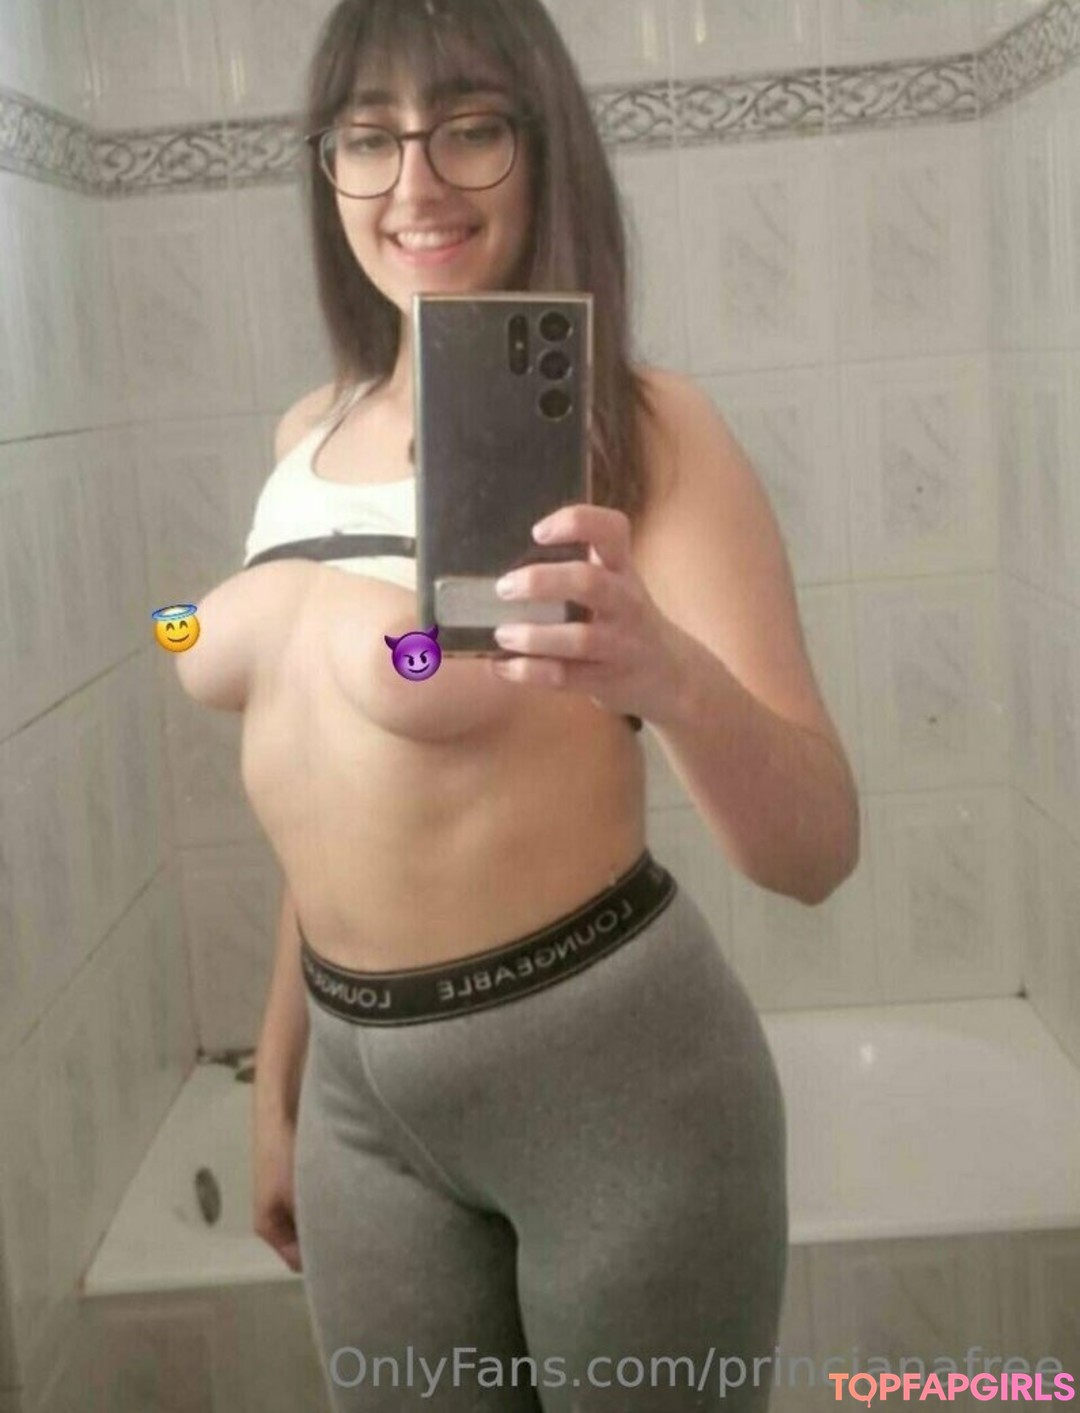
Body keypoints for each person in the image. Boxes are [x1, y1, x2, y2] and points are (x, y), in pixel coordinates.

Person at [174, 1, 859, 1408]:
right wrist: (277, 1083)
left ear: (545, 148)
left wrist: (664, 670)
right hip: (360, 1106)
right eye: (370, 138)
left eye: (469, 128)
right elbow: (331, 799)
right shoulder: (303, 437)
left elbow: (816, 850)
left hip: (614, 1084)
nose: (414, 182)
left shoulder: (642, 430)